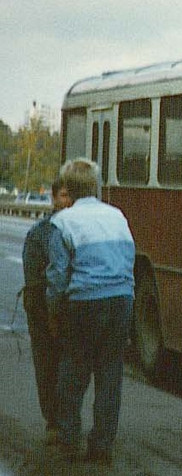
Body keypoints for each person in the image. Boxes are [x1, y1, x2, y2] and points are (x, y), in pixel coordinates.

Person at [46, 158, 136, 464]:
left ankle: (69, 439)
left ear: (68, 189)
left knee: (73, 372)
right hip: (121, 299)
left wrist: (53, 310)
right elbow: (129, 259)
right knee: (110, 375)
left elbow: (58, 276)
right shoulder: (117, 216)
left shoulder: (63, 222)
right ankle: (102, 446)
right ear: (95, 186)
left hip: (85, 302)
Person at [21, 178, 73, 439]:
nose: (66, 201)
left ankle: (63, 419)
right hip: (43, 305)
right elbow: (32, 274)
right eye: (62, 196)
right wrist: (41, 307)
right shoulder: (39, 232)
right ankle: (52, 420)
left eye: (70, 196)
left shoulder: (74, 227)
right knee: (45, 365)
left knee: (66, 365)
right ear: (53, 198)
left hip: (67, 305)